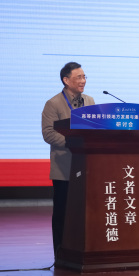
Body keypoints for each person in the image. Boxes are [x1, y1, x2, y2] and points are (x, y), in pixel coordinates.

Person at [41, 62, 95, 258]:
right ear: (66, 80)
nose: (83, 81)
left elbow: (95, 128)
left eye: (84, 77)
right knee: (63, 212)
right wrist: (74, 142)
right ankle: (61, 252)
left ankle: (85, 250)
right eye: (79, 77)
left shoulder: (89, 101)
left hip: (87, 166)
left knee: (86, 212)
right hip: (64, 167)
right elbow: (48, 134)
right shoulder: (53, 103)